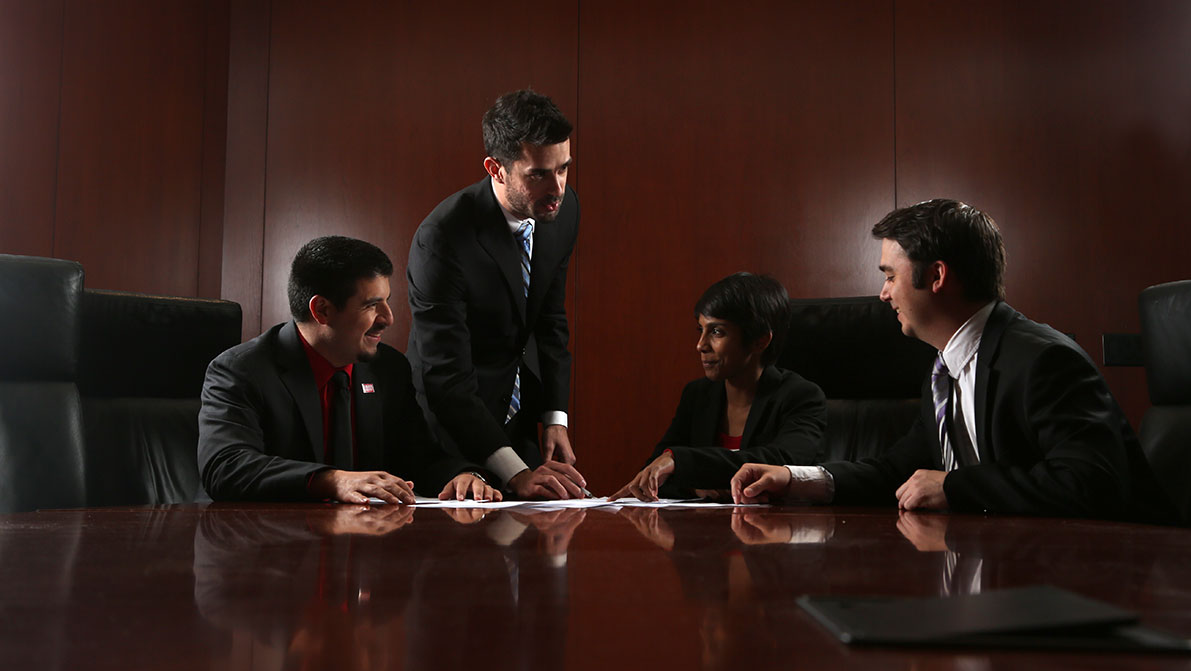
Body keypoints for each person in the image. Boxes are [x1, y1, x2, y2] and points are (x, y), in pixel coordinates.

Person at [731, 199, 1175, 523]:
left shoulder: (1044, 361)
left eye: (889, 275)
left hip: (1114, 579)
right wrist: (796, 479)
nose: (883, 293)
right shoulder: (943, 370)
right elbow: (895, 470)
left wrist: (954, 487)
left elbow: (1091, 485)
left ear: (938, 277)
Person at [199, 236, 498, 504]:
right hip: (278, 552)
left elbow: (419, 456)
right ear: (322, 311)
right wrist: (331, 480)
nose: (388, 318)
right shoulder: (241, 370)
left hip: (367, 547)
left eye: (387, 302)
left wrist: (462, 477)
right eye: (371, 305)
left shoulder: (389, 368)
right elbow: (225, 467)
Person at [407, 89, 588, 500]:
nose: (557, 187)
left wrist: (555, 417)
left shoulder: (562, 210)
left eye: (564, 169)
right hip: (449, 431)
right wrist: (513, 471)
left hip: (516, 413)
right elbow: (445, 376)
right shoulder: (442, 238)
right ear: (496, 168)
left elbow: (550, 320)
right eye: (538, 174)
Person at [610, 273, 826, 501]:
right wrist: (694, 487)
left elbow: (783, 462)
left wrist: (681, 462)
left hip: (775, 531)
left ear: (760, 340)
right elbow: (655, 473)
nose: (700, 345)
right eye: (700, 330)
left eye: (716, 332)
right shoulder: (697, 395)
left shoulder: (802, 397)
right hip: (705, 530)